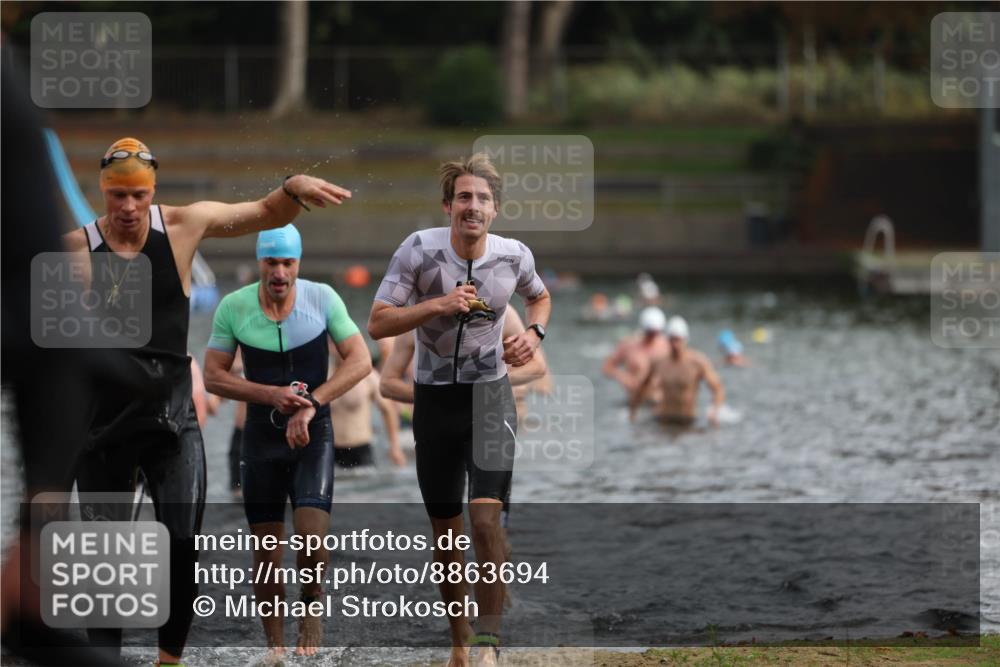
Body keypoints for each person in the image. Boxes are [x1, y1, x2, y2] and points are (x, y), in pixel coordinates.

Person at [62, 137, 351, 667]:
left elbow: (264, 211)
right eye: (118, 195)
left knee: (181, 544)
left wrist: (293, 188)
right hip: (103, 423)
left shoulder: (182, 226)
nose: (128, 207)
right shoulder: (73, 251)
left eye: (139, 194)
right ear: (102, 191)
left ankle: (168, 661)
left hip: (171, 415)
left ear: (153, 191)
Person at [368, 153, 551, 667]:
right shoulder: (418, 251)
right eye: (465, 197)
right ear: (448, 205)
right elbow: (379, 324)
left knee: (486, 522)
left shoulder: (514, 256)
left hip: (490, 397)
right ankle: (459, 641)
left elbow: (541, 299)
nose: (473, 207)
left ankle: (490, 644)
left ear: (495, 212)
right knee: (447, 536)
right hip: (434, 400)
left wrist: (534, 336)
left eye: (483, 200)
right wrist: (437, 306)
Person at [203, 225, 371, 662]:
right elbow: (213, 376)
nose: (279, 272)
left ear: (298, 262)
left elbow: (361, 360)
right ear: (260, 262)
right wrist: (270, 394)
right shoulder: (234, 307)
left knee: (312, 544)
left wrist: (312, 402)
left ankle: (311, 611)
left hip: (314, 435)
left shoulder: (322, 298)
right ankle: (276, 645)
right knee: (266, 554)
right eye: (271, 262)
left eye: (287, 263)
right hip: (260, 438)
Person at [629, 316, 725, 427]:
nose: (675, 344)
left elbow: (718, 389)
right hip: (663, 418)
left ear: (685, 339)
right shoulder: (659, 362)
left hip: (687, 419)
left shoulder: (698, 362)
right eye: (672, 340)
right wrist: (633, 411)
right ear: (667, 340)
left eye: (678, 340)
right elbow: (643, 386)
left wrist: (715, 412)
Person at [330, 342, 405, 469]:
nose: (339, 349)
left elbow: (388, 410)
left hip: (361, 448)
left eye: (341, 343)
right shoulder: (324, 376)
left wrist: (395, 446)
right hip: (331, 449)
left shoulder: (367, 376)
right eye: (334, 344)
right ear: (330, 347)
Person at [603, 306, 670, 402]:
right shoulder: (629, 345)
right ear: (643, 329)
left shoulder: (668, 346)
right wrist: (624, 378)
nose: (652, 336)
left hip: (659, 401)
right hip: (634, 399)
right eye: (649, 333)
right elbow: (607, 367)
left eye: (655, 333)